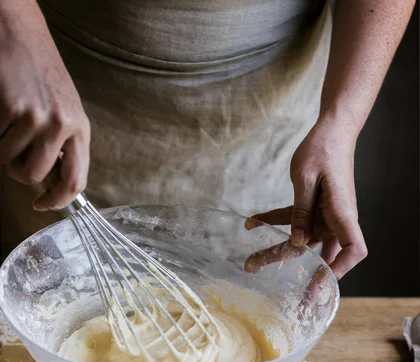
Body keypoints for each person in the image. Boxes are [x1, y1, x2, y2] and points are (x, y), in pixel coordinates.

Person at [0, 0, 415, 280]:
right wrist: (13, 29)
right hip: (58, 90)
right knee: (50, 288)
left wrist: (341, 122)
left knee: (253, 281)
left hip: (266, 118)